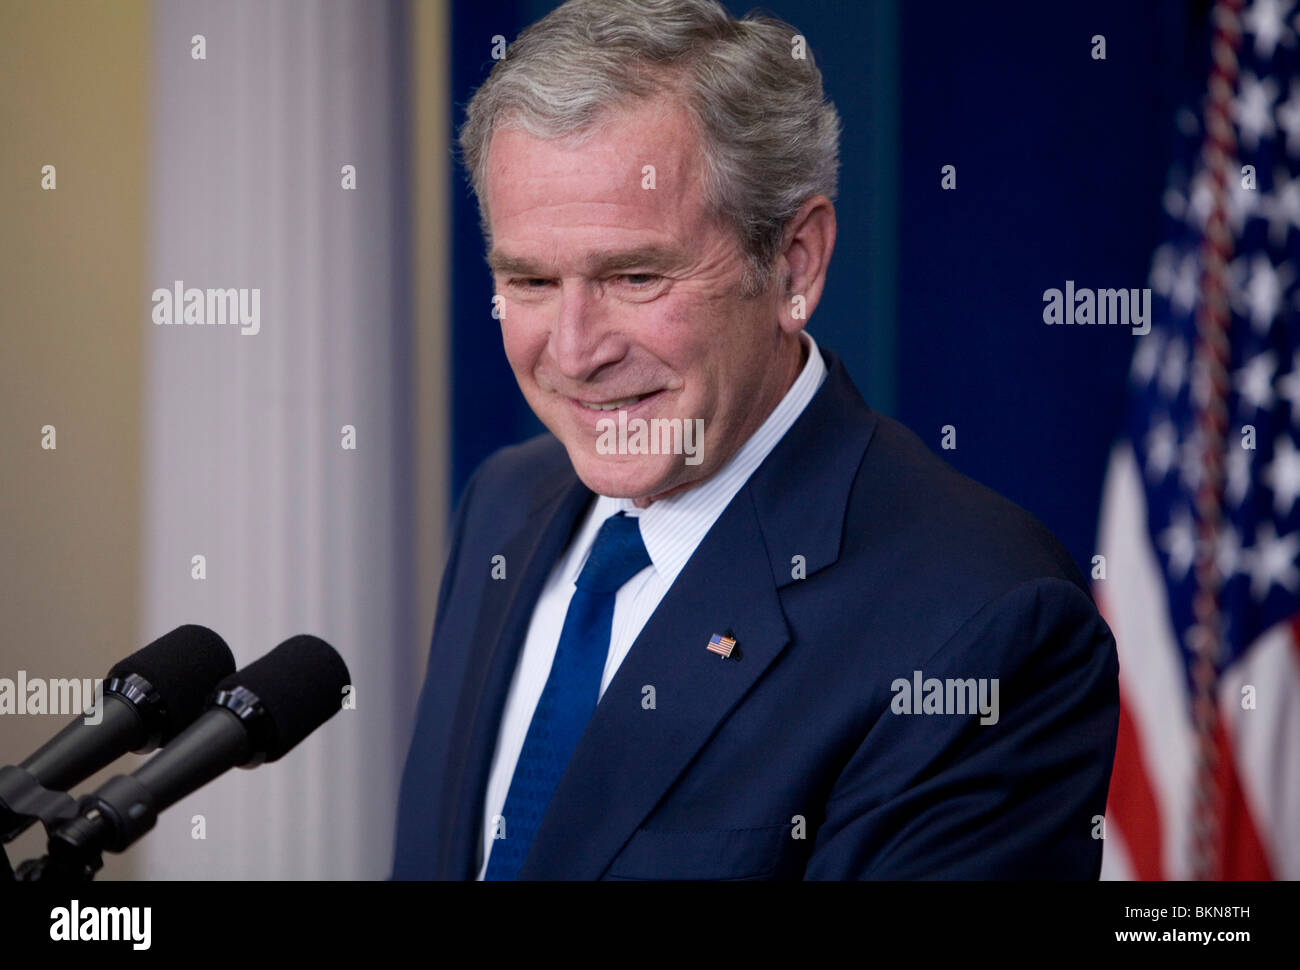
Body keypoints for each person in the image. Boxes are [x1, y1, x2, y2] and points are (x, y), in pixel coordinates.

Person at [393, 0, 1119, 880]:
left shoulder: (983, 619)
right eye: (532, 280)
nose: (576, 350)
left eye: (636, 275)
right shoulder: (505, 505)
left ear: (794, 264)